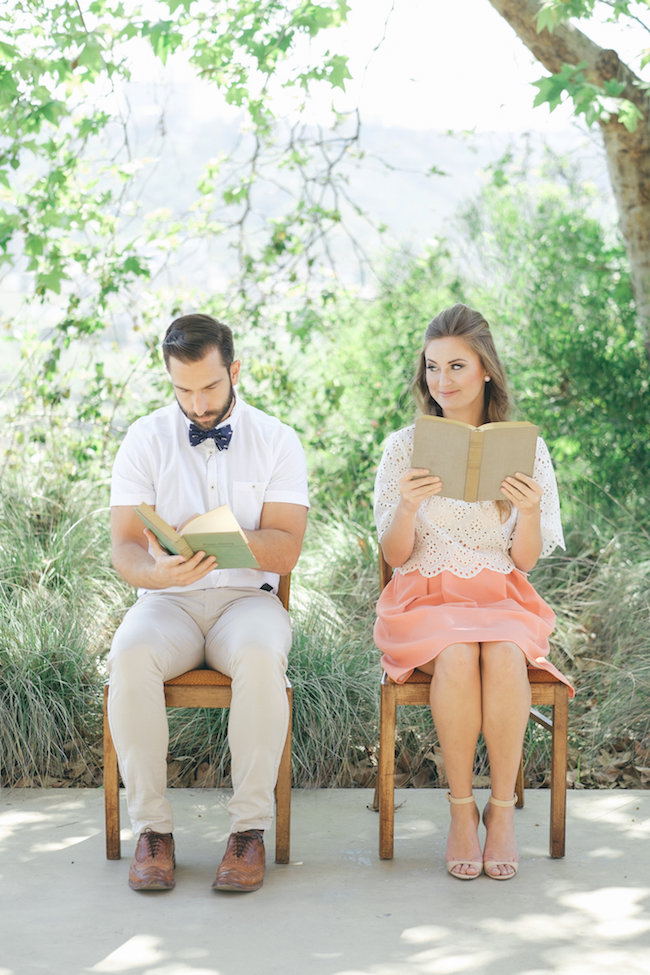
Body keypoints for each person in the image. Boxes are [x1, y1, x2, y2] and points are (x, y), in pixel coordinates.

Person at [107, 313, 309, 893]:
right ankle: (153, 831)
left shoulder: (277, 440)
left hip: (246, 600)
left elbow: (287, 549)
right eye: (183, 389)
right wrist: (157, 570)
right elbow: (123, 548)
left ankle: (248, 832)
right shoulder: (145, 438)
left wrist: (227, 543)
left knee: (259, 653)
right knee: (129, 653)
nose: (197, 403)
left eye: (210, 387)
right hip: (167, 602)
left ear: (235, 370)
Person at [373, 303, 574, 881]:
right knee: (459, 656)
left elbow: (525, 559)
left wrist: (530, 511)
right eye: (432, 368)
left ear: (486, 369)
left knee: (505, 654)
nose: (443, 381)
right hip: (424, 596)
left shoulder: (526, 449)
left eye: (457, 367)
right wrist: (408, 505)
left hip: (500, 593)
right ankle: (463, 809)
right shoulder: (401, 448)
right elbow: (393, 556)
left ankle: (502, 811)